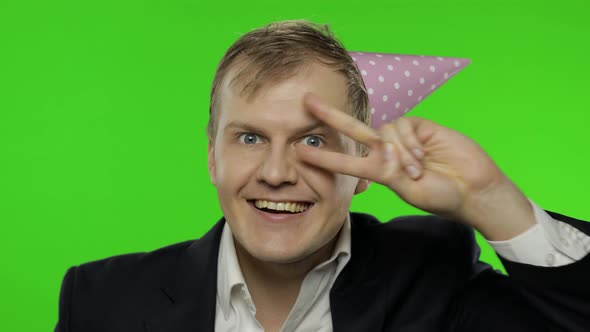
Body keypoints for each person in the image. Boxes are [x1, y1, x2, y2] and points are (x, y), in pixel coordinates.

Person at [55, 20, 590, 332]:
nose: (277, 172)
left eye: (313, 141)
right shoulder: (101, 300)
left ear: (360, 169)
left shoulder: (431, 279)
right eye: (249, 137)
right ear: (212, 157)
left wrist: (491, 199)